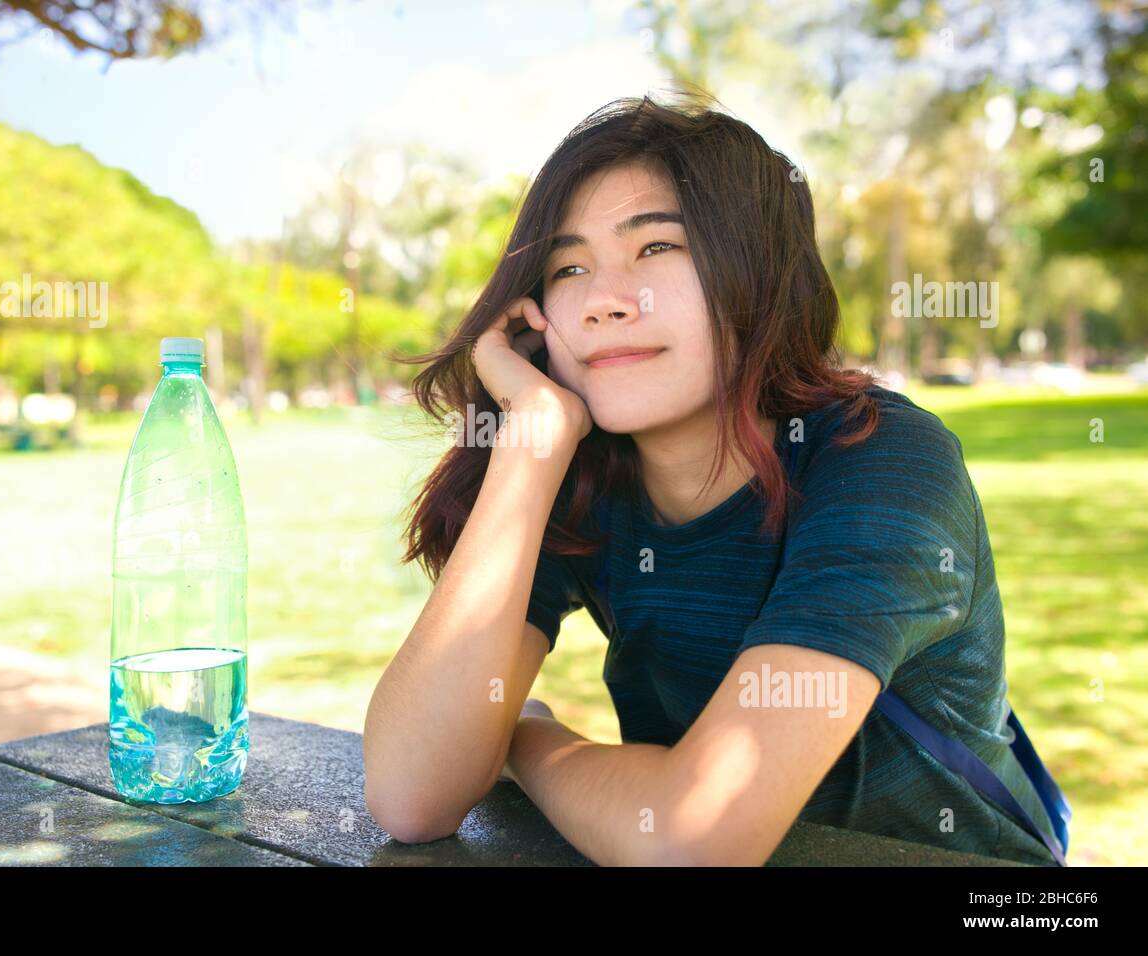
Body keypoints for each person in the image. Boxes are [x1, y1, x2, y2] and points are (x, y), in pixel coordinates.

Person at [363, 91, 1061, 867]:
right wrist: (529, 447)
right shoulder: (583, 482)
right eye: (568, 267)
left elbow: (693, 839)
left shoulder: (883, 462)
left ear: (757, 273)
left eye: (657, 248)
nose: (603, 301)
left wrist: (528, 735)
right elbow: (409, 794)